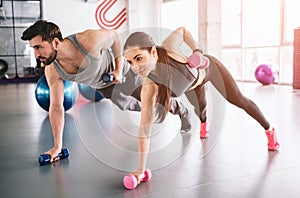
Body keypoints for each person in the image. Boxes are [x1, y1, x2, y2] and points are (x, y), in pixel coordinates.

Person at [123, 26, 280, 183]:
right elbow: (144, 130)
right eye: (130, 62)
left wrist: (197, 51)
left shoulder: (169, 47)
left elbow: (183, 30)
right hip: (193, 85)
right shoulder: (149, 87)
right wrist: (141, 170)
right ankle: (204, 124)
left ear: (153, 52)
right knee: (200, 109)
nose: (135, 68)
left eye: (139, 58)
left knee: (239, 100)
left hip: (210, 69)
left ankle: (270, 131)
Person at [21, 20, 191, 163]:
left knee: (149, 98)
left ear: (56, 43)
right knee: (131, 106)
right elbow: (56, 107)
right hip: (104, 86)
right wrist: (57, 146)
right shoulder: (53, 70)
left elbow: (114, 36)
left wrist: (117, 69)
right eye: (33, 49)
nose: (36, 54)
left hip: (124, 72)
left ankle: (181, 110)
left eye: (38, 47)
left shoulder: (88, 40)